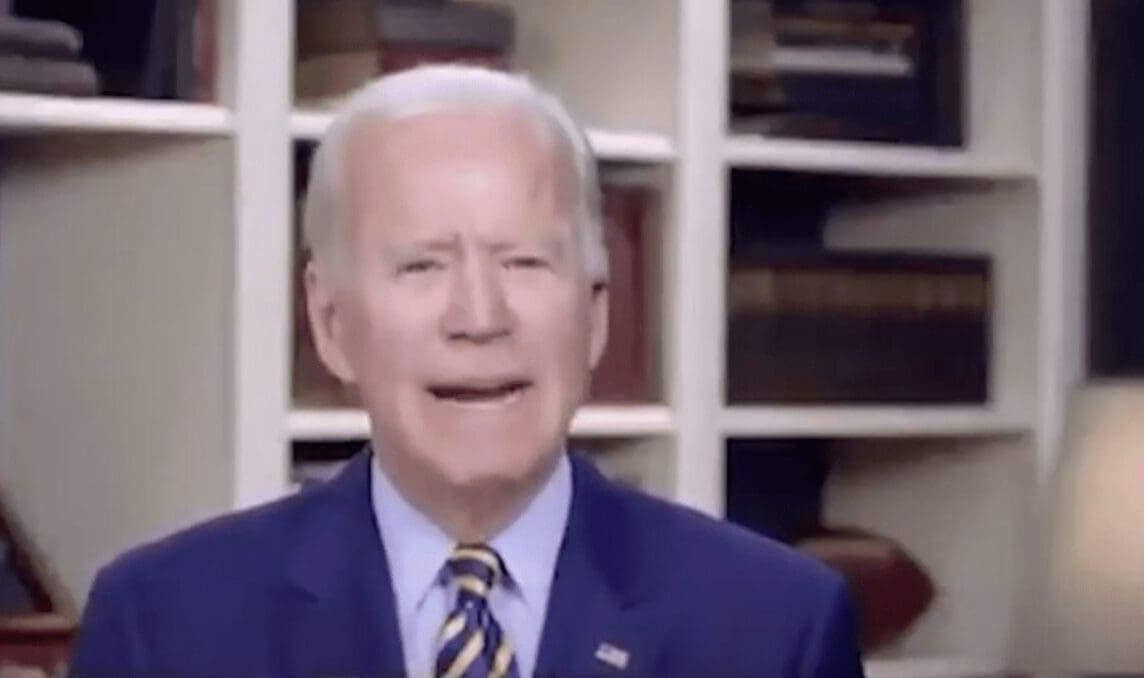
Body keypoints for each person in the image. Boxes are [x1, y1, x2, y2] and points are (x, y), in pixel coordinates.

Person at [69, 64, 864, 678]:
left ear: (595, 312)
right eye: (422, 265)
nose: (479, 316)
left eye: (524, 261)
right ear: (330, 322)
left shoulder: (776, 629)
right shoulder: (164, 628)